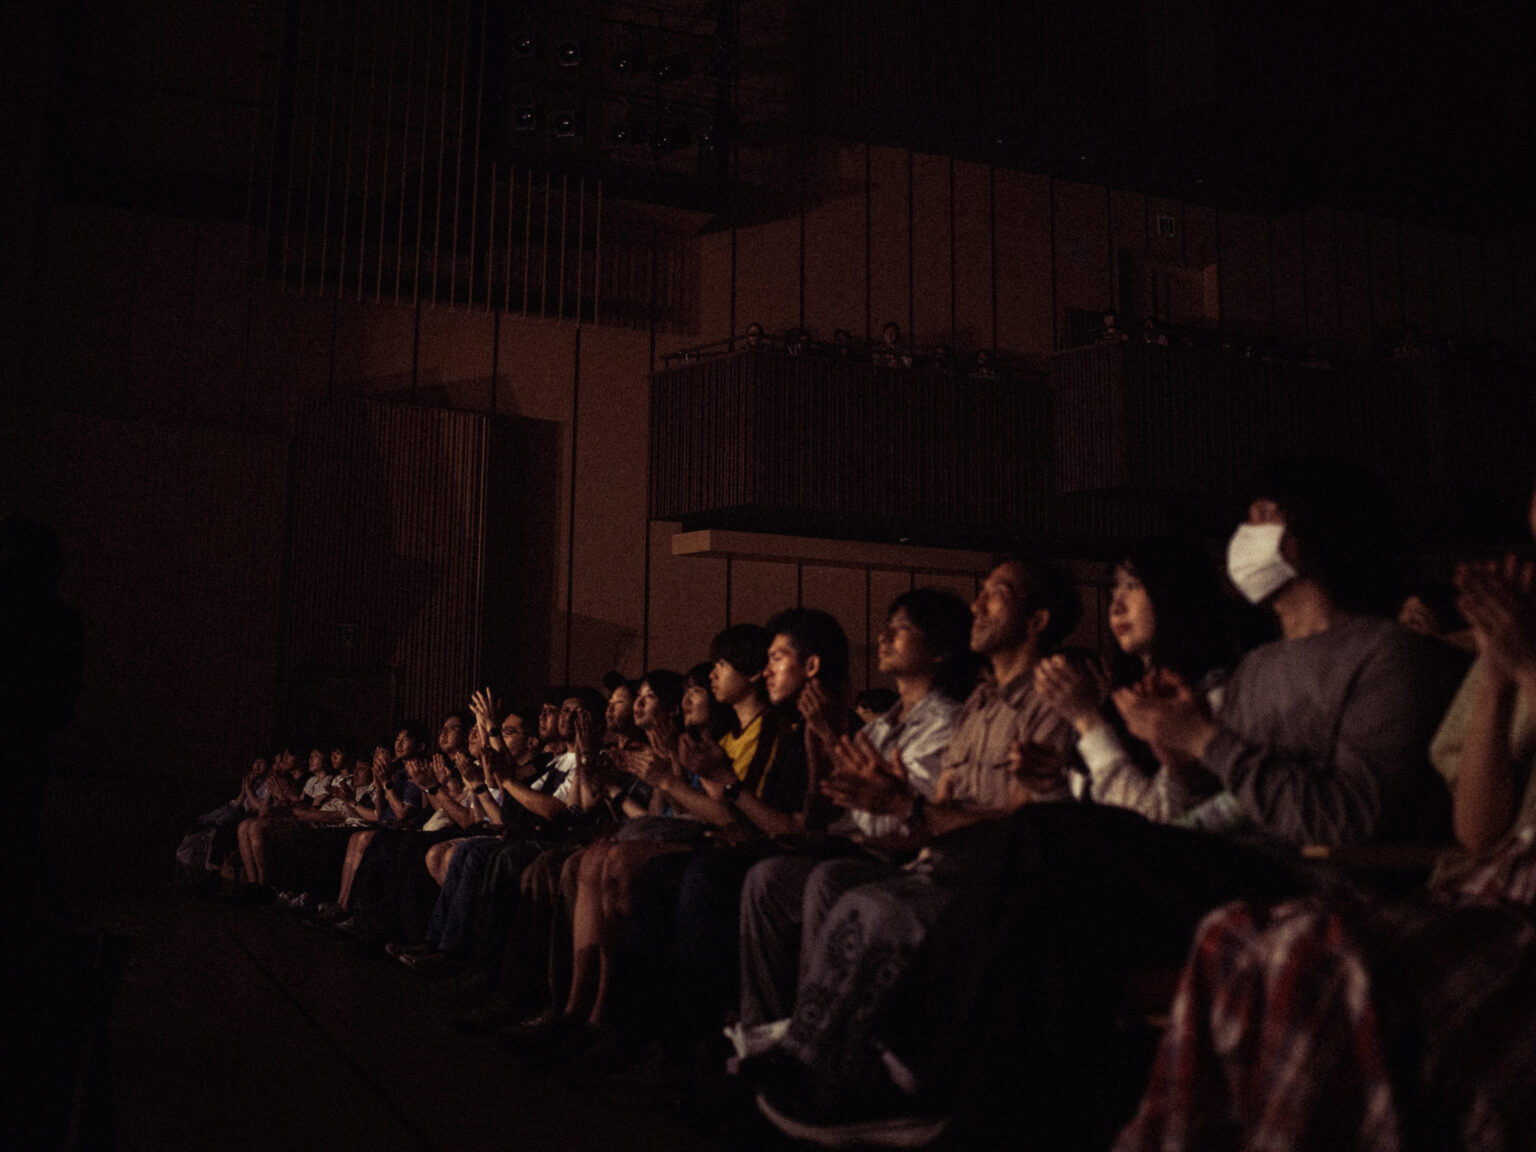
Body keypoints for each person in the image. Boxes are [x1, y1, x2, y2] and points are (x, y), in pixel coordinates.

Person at [1118, 483, 1536, 1152]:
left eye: (1264, 515)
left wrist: (1523, 666)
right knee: (1204, 924)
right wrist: (1182, 759)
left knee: (1299, 945)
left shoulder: (1383, 656)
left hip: (1324, 872)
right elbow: (1479, 830)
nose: (1244, 531)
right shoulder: (1256, 668)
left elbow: (1350, 820)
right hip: (1264, 860)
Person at [1033, 536, 1234, 822]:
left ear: (1174, 591)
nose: (1116, 606)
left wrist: (1086, 717)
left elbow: (1151, 820)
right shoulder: (1127, 693)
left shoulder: (1209, 694)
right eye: (1114, 589)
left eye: (1133, 585)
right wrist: (1058, 784)